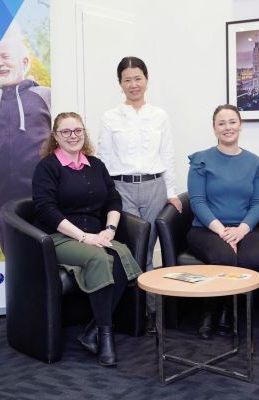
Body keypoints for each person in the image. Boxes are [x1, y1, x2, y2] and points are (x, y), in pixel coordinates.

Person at [32, 112, 142, 367]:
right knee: (99, 257)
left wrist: (109, 231)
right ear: (55, 136)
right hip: (59, 238)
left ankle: (92, 331)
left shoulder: (97, 165)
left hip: (96, 235)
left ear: (84, 132)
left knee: (122, 254)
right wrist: (84, 237)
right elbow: (45, 210)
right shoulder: (47, 167)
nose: (73, 136)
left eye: (78, 130)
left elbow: (113, 200)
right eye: (66, 131)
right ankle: (105, 337)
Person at [97, 56, 181, 334]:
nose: (133, 84)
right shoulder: (110, 118)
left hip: (154, 187)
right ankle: (139, 312)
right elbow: (105, 159)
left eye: (138, 78)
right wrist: (107, 197)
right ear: (119, 84)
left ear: (146, 80)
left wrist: (171, 192)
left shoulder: (159, 115)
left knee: (147, 249)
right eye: (127, 79)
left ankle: (150, 312)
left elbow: (167, 155)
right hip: (122, 188)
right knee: (135, 251)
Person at [187, 104, 259, 339]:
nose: (227, 127)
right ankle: (211, 312)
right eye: (221, 123)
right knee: (224, 257)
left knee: (252, 260)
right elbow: (198, 202)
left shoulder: (254, 163)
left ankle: (230, 311)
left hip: (244, 228)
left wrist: (241, 231)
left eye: (232, 122)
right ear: (214, 129)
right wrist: (223, 232)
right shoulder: (201, 160)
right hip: (207, 229)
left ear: (240, 125)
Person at [0, 36, 51, 252]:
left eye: (5, 56)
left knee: (49, 259)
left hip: (44, 199)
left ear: (25, 63)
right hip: (0, 204)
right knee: (14, 264)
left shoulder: (47, 96)